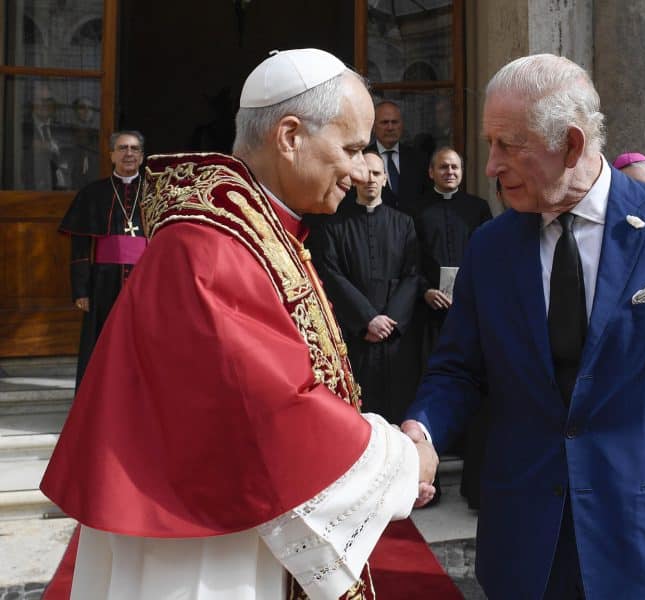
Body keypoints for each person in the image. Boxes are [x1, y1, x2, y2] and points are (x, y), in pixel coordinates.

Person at [41, 48, 437, 600]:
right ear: (290, 135)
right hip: (202, 550)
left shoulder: (257, 230)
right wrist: (400, 459)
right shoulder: (208, 247)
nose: (357, 169)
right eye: (349, 149)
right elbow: (275, 414)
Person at [402, 53, 645, 599]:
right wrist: (420, 435)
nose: (490, 166)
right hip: (527, 541)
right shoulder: (490, 247)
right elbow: (457, 370)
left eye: (508, 145)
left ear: (571, 144)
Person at [306, 151, 421, 425]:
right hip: (356, 338)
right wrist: (367, 319)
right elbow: (332, 276)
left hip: (395, 339)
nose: (370, 179)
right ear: (355, 179)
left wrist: (389, 321)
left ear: (385, 180)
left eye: (377, 174)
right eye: (365, 173)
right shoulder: (335, 226)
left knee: (398, 412)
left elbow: (412, 274)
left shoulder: (404, 224)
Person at [58, 130, 148, 388]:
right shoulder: (93, 193)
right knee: (100, 343)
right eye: (122, 148)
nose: (128, 153)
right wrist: (81, 290)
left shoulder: (156, 192)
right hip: (103, 283)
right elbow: (80, 245)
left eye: (133, 149)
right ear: (111, 155)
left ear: (142, 156)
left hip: (146, 281)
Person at [415, 147, 493, 357]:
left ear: (462, 171)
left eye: (454, 167)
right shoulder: (416, 210)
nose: (450, 171)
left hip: (470, 304)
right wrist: (425, 291)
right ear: (431, 172)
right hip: (430, 308)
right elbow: (410, 259)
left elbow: (488, 256)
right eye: (443, 167)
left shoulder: (478, 208)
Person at [368, 99, 430, 216]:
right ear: (374, 127)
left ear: (402, 125)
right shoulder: (363, 158)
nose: (390, 127)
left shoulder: (418, 159)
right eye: (384, 122)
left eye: (395, 122)